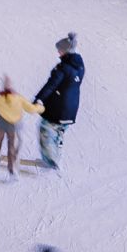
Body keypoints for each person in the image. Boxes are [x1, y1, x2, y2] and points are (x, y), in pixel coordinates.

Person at [34, 34, 84, 170]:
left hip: (58, 109)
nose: (58, 52)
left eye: (60, 50)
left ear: (66, 51)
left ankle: (51, 162)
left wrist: (39, 99)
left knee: (46, 131)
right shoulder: (80, 66)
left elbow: (51, 85)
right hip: (71, 110)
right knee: (59, 132)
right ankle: (57, 156)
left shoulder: (63, 68)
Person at [0, 75, 43, 178]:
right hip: (14, 126)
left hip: (1, 124)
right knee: (12, 147)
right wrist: (41, 107)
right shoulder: (18, 98)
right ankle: (12, 169)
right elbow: (31, 109)